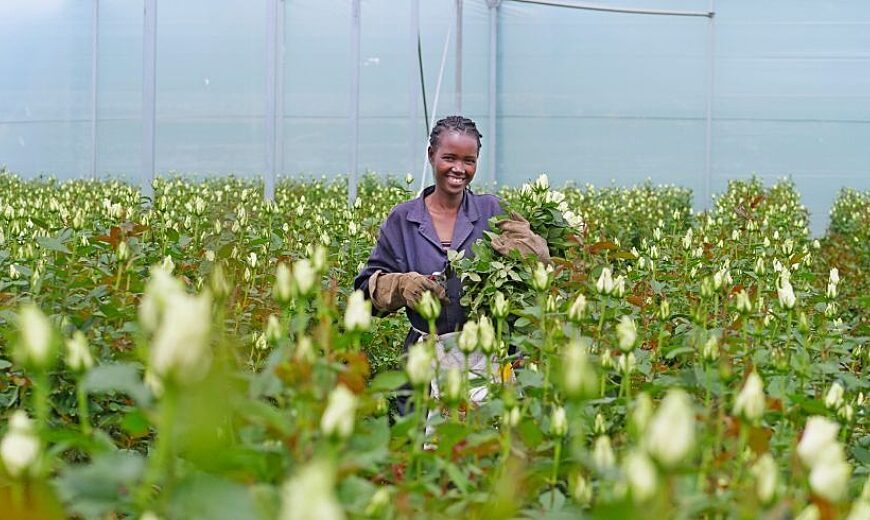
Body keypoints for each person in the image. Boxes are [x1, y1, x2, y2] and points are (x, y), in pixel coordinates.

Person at [353, 116, 549, 408]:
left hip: (490, 359)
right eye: (449, 158)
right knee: (424, 445)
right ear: (431, 155)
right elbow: (363, 297)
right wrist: (399, 286)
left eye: (469, 160)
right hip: (425, 363)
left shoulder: (492, 211)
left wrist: (536, 255)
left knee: (485, 444)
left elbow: (541, 279)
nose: (459, 168)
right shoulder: (403, 219)